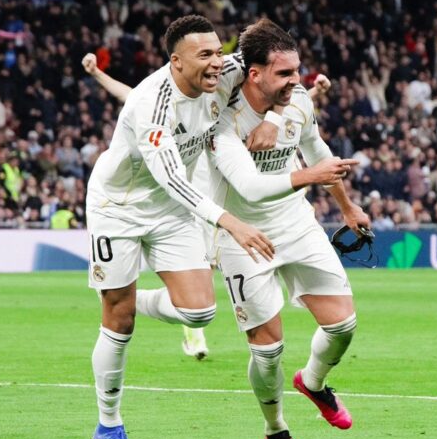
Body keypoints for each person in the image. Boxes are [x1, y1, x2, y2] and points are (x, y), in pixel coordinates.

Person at [85, 15, 351, 439]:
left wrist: (277, 114)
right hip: (119, 209)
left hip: (173, 211)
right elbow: (171, 177)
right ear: (176, 61)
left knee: (201, 313)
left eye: (218, 52)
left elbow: (278, 82)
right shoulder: (153, 106)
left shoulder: (227, 72)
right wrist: (229, 221)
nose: (216, 62)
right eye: (204, 54)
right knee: (119, 318)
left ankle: (140, 299)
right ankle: (108, 424)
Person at [82, 53, 333, 362]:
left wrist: (308, 96)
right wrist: (97, 75)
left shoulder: (225, 104)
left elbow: (275, 92)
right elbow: (132, 97)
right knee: (204, 276)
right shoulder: (161, 106)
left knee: (201, 292)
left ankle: (180, 318)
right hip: (195, 200)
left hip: (208, 201)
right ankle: (187, 327)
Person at [206, 19, 370, 439]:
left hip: (296, 222)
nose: (296, 81)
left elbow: (317, 150)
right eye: (285, 73)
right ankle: (276, 429)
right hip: (243, 235)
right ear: (253, 74)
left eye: (297, 70)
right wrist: (310, 176)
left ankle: (313, 382)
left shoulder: (297, 102)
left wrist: (347, 206)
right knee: (268, 350)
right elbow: (252, 188)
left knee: (343, 325)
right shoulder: (222, 120)